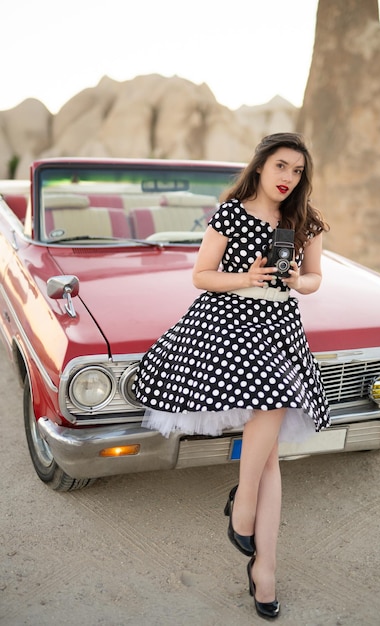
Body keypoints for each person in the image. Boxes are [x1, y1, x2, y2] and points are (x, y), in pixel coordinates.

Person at [133, 132, 330, 620]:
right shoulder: (229, 213)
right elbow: (201, 274)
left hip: (280, 327)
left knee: (270, 454)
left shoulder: (304, 222)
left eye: (297, 171)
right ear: (261, 166)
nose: (288, 178)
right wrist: (249, 277)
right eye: (281, 166)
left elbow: (315, 278)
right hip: (230, 324)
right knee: (274, 408)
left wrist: (294, 281)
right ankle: (248, 526)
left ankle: (263, 565)